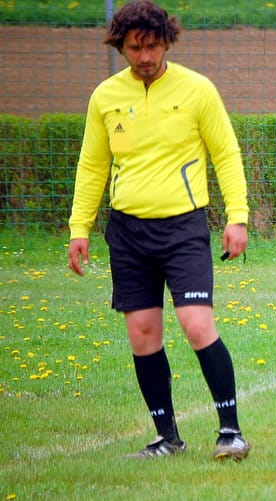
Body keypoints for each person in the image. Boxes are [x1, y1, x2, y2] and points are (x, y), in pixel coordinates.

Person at [67, 0, 251, 461]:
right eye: (135, 48)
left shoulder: (197, 90)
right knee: (143, 334)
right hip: (127, 233)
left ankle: (230, 431)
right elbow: (92, 165)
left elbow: (226, 153)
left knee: (196, 323)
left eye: (152, 46)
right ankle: (167, 437)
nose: (145, 56)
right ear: (122, 47)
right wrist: (79, 227)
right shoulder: (105, 97)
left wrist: (237, 216)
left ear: (166, 42)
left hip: (183, 228)